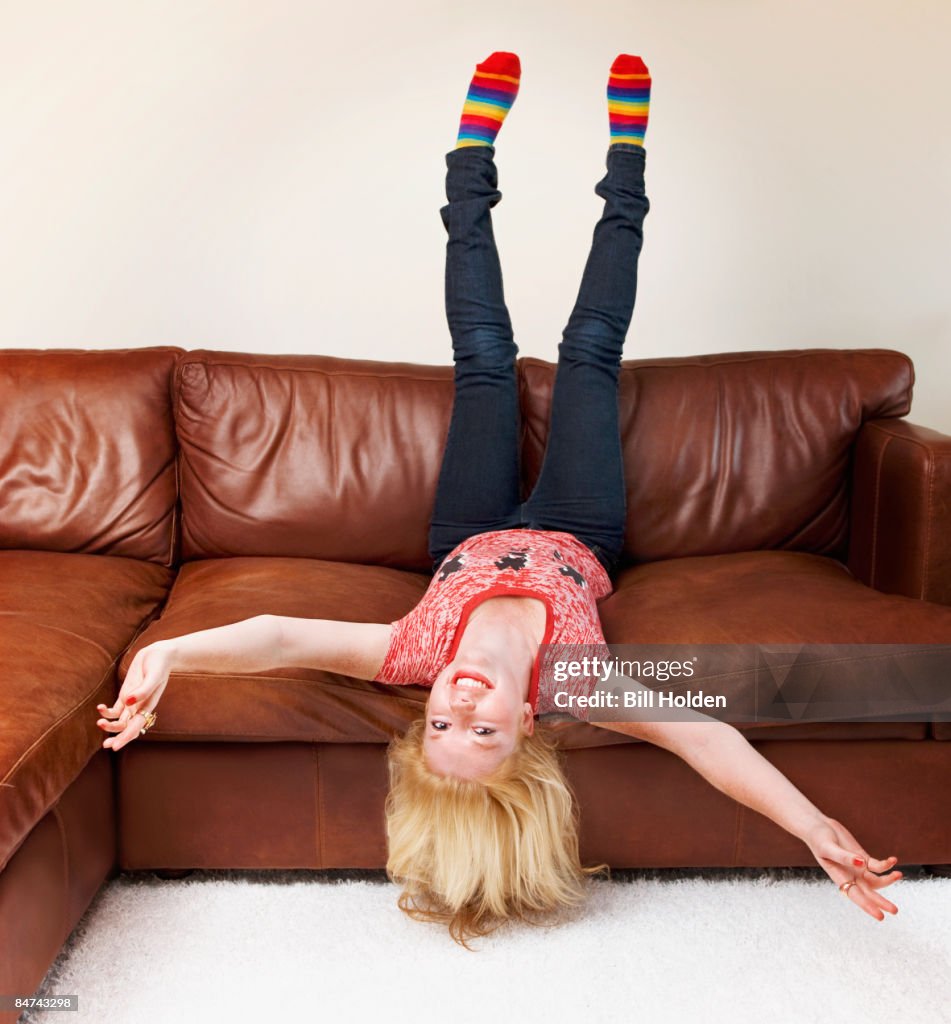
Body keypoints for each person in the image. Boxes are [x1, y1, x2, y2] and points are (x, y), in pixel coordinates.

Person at [95, 52, 902, 944]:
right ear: (525, 726)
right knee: (590, 349)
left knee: (483, 354)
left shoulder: (410, 651)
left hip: (466, 532)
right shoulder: (579, 685)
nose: (462, 705)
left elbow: (280, 637)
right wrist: (812, 829)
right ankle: (626, 166)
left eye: (441, 722)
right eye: (481, 734)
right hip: (582, 530)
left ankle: (468, 166)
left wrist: (173, 654)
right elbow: (705, 736)